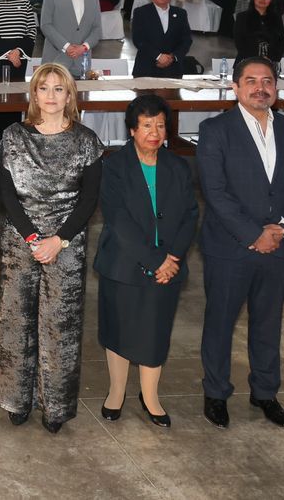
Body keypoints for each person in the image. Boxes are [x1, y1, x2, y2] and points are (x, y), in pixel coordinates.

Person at [198, 56, 284, 431]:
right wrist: (254, 234)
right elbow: (215, 193)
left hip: (279, 247)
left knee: (268, 323)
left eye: (267, 81)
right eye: (250, 80)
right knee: (220, 323)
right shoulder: (215, 130)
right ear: (235, 87)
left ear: (276, 88)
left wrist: (281, 228)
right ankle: (216, 393)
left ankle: (265, 392)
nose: (260, 88)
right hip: (230, 249)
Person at [0, 63, 104, 433]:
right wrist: (31, 237)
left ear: (69, 95)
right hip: (20, 241)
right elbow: (7, 195)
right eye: (44, 88)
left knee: (61, 327)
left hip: (67, 243)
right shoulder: (13, 136)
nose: (52, 96)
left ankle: (55, 406)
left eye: (59, 88)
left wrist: (59, 239)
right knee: (16, 322)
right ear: (34, 94)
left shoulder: (86, 140)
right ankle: (16, 400)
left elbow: (89, 200)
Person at [95, 94, 199, 429]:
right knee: (119, 329)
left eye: (160, 125)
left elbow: (190, 214)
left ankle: (150, 397)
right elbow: (118, 220)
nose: (154, 132)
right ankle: (116, 392)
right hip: (123, 264)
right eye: (146, 125)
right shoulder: (114, 166)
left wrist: (173, 258)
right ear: (132, 130)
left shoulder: (178, 166)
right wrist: (155, 260)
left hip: (168, 266)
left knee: (155, 332)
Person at [39, 0, 102, 78]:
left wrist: (83, 47)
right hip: (56, 60)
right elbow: (46, 25)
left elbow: (97, 29)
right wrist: (66, 46)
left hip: (82, 63)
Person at [130, 0, 192, 78]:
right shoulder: (141, 13)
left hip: (173, 69)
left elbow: (187, 39)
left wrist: (172, 57)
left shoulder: (180, 13)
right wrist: (158, 56)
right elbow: (138, 40)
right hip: (146, 68)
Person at [233, 0, 284, 64]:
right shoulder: (242, 17)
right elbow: (239, 42)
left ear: (271, 0)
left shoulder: (276, 18)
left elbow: (282, 42)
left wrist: (271, 59)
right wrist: (257, 60)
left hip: (271, 63)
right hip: (247, 62)